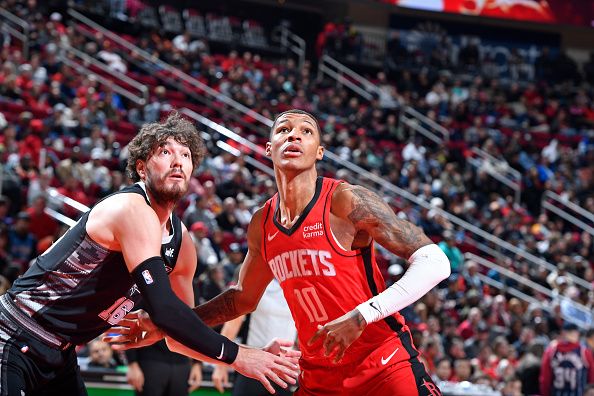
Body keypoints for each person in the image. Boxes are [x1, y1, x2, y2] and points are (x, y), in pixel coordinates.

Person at [110, 109, 450, 395]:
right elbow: (241, 299)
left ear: (319, 151)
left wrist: (364, 314)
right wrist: (170, 325)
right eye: (284, 130)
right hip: (318, 377)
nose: (294, 136)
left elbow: (435, 262)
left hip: (383, 363)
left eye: (306, 131)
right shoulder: (263, 222)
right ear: (269, 147)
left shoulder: (345, 201)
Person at [0, 112, 299, 395]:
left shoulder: (182, 245)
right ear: (142, 168)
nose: (178, 162)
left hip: (60, 353)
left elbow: (180, 334)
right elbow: (166, 311)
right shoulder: (132, 208)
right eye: (166, 153)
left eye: (186, 156)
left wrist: (256, 357)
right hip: (14, 333)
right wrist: (239, 356)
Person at [211, 279, 297, 396]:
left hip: (286, 369)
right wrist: (221, 365)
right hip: (254, 364)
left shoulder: (301, 284)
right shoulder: (258, 281)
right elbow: (235, 321)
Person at [125, 341, 203, 396]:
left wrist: (197, 363)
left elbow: (198, 325)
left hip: (181, 362)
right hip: (150, 360)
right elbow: (131, 322)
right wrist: (132, 363)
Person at [540, 322, 594, 396]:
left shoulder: (551, 351)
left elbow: (545, 380)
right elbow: (591, 379)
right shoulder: (584, 352)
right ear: (577, 334)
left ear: (562, 334)